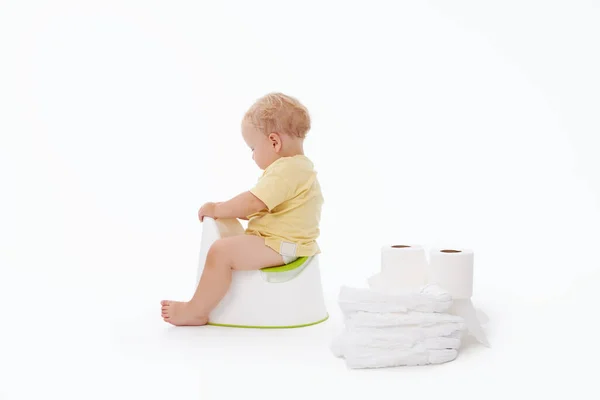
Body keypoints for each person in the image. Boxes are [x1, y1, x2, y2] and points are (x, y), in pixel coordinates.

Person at [161, 92, 324, 326]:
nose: (253, 156)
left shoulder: (286, 170)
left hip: (283, 245)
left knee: (220, 252)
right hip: (286, 243)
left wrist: (217, 208)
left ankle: (195, 310)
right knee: (228, 245)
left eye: (253, 148)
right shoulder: (299, 168)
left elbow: (251, 204)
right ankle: (198, 307)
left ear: (274, 142)